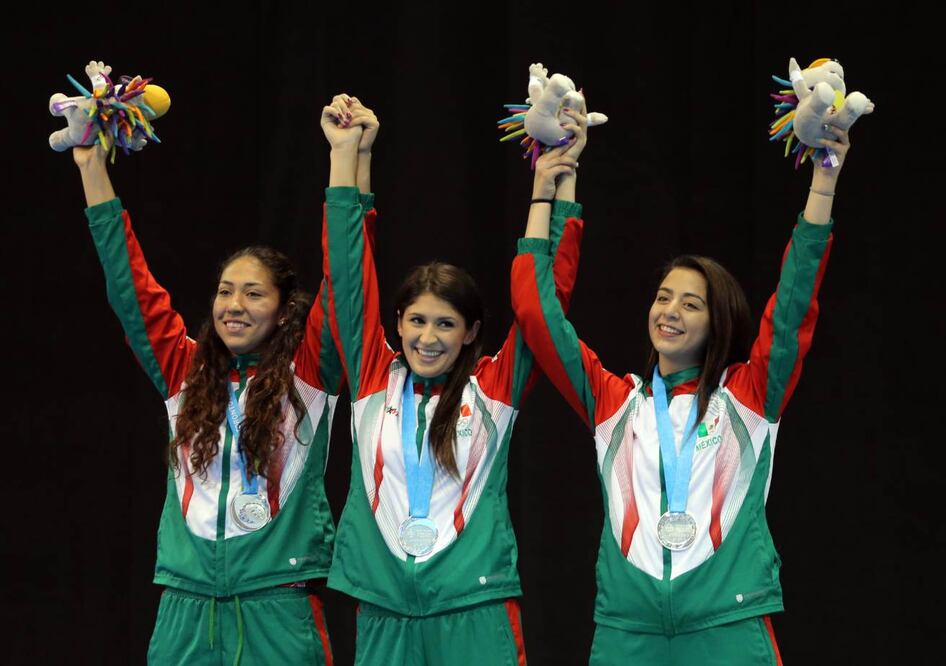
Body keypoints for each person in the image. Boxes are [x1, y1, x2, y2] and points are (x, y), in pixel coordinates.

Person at [511, 108, 851, 664]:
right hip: (629, 633)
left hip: (726, 627)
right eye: (663, 297)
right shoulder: (615, 403)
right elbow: (536, 313)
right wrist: (551, 192)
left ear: (718, 323)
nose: (669, 311)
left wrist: (825, 178)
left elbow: (794, 302)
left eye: (691, 304)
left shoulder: (749, 397)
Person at [318, 93, 583, 665]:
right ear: (397, 323)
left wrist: (554, 189)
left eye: (445, 324)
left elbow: (546, 304)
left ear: (470, 332)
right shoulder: (373, 378)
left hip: (473, 608)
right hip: (384, 608)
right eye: (416, 321)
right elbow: (347, 275)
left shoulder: (493, 389)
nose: (428, 338)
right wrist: (346, 156)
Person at [73, 142, 341, 665]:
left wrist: (346, 160)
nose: (234, 306)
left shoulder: (310, 374)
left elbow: (345, 284)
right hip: (186, 605)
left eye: (253, 294)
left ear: (285, 310)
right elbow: (131, 288)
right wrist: (91, 169)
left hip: (277, 605)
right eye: (224, 291)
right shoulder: (184, 370)